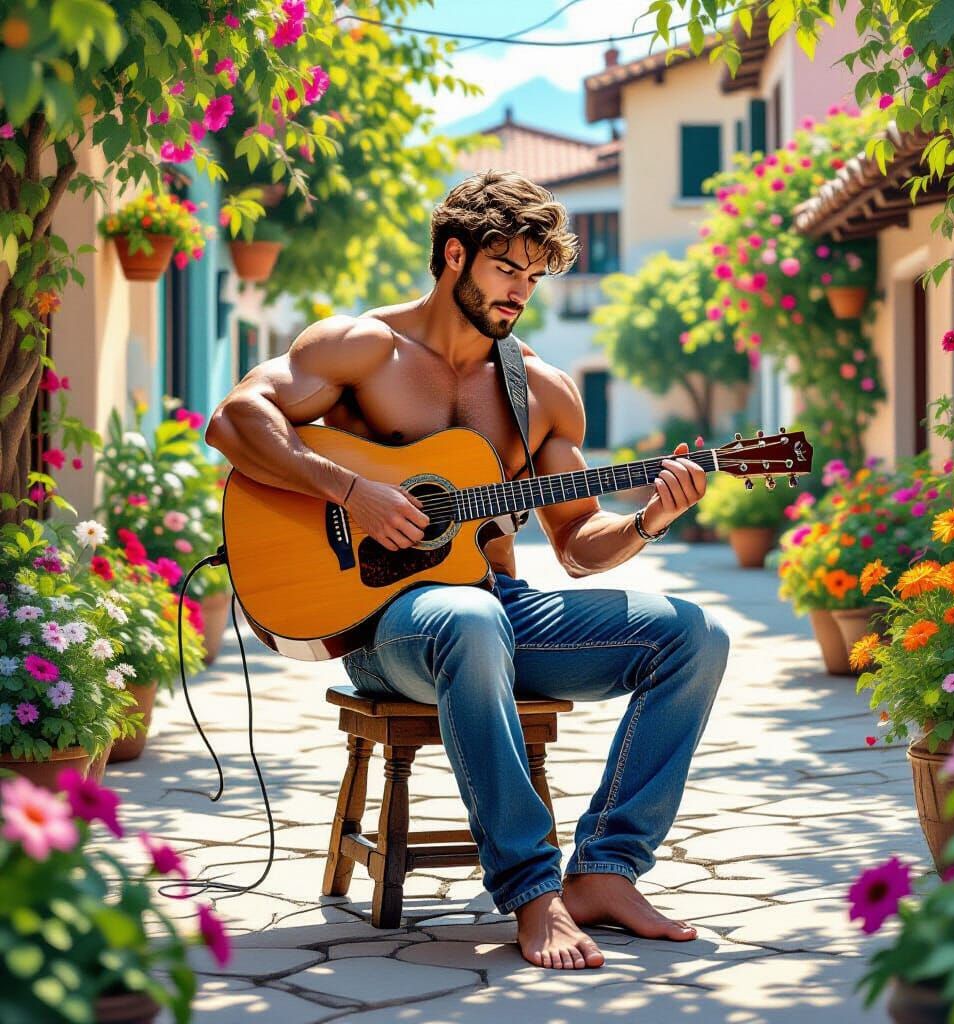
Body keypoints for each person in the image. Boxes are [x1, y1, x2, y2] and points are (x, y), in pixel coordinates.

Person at [205, 170, 731, 971]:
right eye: (506, 269)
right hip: (385, 627)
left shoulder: (542, 392)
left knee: (696, 636)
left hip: (493, 604)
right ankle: (532, 890)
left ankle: (606, 870)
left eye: (533, 276)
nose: (520, 292)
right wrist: (351, 490)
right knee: (470, 618)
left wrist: (647, 521)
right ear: (454, 255)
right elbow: (236, 420)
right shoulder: (363, 346)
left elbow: (577, 542)